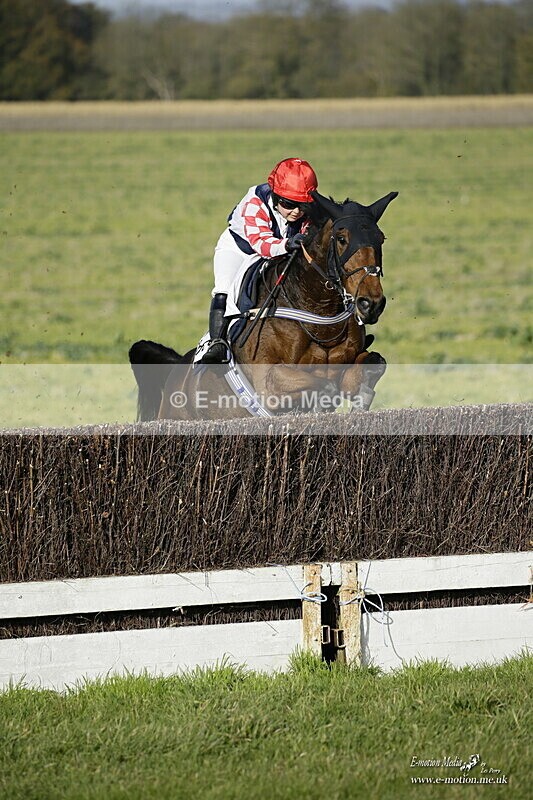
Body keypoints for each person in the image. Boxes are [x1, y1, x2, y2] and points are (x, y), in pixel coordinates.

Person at [201, 157, 318, 363]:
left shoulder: (301, 210)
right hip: (241, 250)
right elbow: (261, 243)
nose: (297, 211)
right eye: (289, 204)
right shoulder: (255, 203)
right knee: (224, 290)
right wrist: (288, 244)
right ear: (275, 194)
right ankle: (217, 344)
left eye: (303, 205)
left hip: (281, 248)